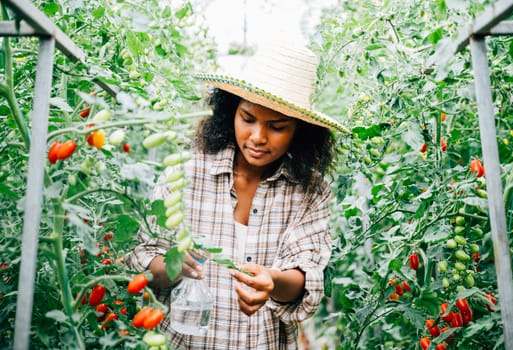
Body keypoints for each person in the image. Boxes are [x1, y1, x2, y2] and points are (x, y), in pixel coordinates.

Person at [125, 42, 348, 349]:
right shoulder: (188, 173)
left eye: (277, 127)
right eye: (247, 119)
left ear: (300, 130)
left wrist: (272, 281)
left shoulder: (310, 191)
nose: (258, 137)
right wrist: (173, 265)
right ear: (230, 112)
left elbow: (305, 277)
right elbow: (142, 258)